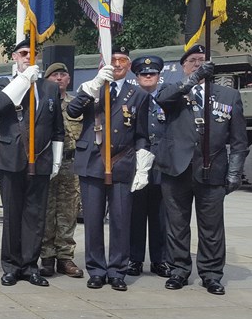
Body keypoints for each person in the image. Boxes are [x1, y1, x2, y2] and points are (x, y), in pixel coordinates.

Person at [155, 45, 248, 295]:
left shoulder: (228, 96)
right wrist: (194, 79)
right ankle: (178, 270)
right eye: (192, 61)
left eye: (202, 61)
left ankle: (211, 274)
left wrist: (235, 172)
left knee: (212, 228)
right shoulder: (173, 92)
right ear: (183, 66)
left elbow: (239, 140)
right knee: (177, 225)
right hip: (177, 170)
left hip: (213, 170)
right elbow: (162, 100)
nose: (198, 64)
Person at [67, 47, 151, 291]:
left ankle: (117, 270)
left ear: (129, 64)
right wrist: (94, 85)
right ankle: (95, 269)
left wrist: (143, 162)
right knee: (92, 220)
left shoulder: (137, 94)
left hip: (122, 162)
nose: (117, 64)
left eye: (122, 60)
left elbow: (142, 134)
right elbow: (73, 113)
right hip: (92, 161)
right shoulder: (92, 88)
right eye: (112, 60)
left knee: (121, 220)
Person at [0, 39, 64, 287]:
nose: (28, 57)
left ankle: (30, 265)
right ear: (14, 56)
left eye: (33, 53)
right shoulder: (3, 83)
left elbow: (58, 129)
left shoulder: (49, 88)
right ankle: (11, 266)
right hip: (11, 159)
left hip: (41, 159)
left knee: (35, 216)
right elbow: (0, 105)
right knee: (12, 215)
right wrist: (23, 80)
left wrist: (56, 159)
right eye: (23, 53)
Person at [128, 56, 172, 278]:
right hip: (136, 164)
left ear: (158, 76)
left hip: (162, 164)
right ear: (136, 77)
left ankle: (160, 260)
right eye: (143, 74)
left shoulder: (168, 99)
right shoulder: (132, 99)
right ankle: (134, 259)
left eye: (152, 74)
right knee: (135, 214)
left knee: (160, 216)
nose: (148, 77)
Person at [39, 63, 84, 278]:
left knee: (69, 211)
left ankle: (65, 257)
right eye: (54, 75)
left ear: (68, 79)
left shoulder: (77, 103)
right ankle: (47, 256)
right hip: (47, 162)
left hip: (71, 163)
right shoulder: (42, 102)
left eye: (62, 75)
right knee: (47, 210)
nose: (58, 78)